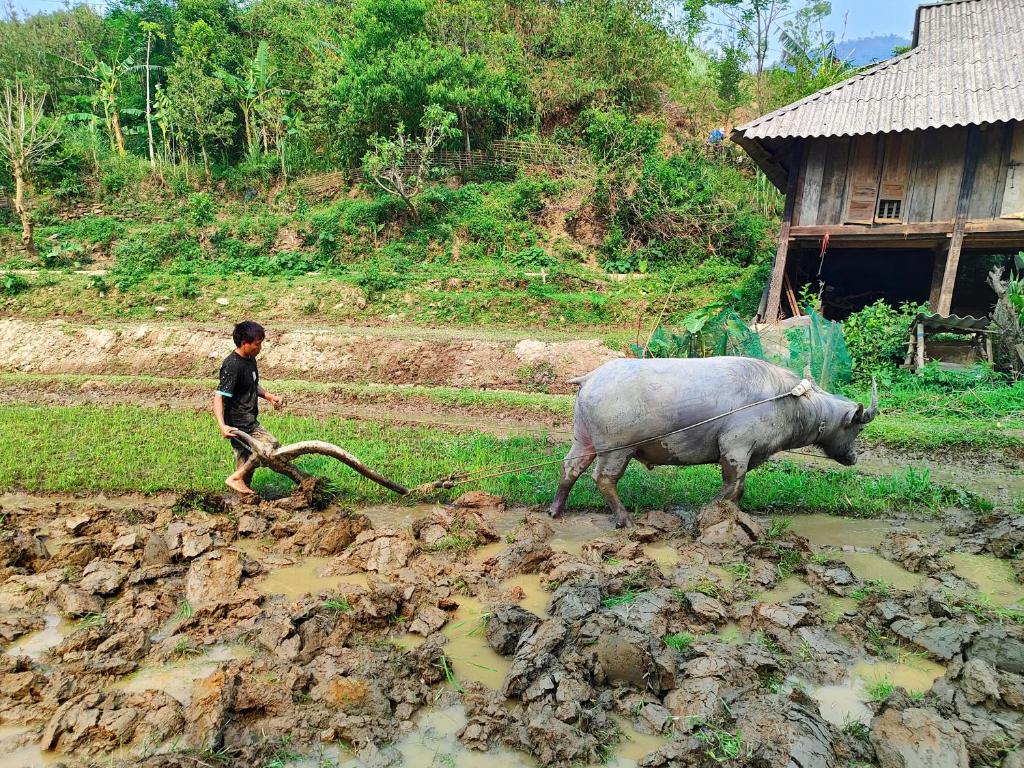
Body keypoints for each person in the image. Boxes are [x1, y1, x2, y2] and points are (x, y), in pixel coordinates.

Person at [212, 321, 285, 494]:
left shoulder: (250, 359)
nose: (260, 348)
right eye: (257, 344)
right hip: (238, 422)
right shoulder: (232, 365)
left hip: (249, 417)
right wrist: (222, 426)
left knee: (249, 460)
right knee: (268, 447)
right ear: (245, 343)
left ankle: (242, 496)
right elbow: (219, 397)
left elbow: (251, 385)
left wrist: (268, 396)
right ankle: (236, 481)